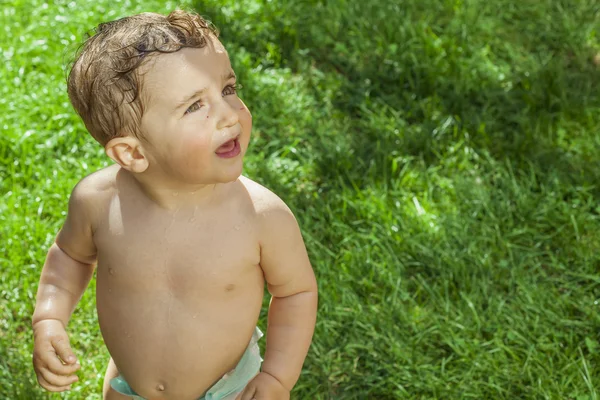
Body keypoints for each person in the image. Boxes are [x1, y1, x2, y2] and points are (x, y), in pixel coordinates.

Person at [31, 9, 318, 400]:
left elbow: (296, 293)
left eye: (228, 89)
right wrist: (49, 317)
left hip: (231, 390)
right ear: (131, 153)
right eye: (195, 106)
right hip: (128, 388)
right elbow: (70, 256)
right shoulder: (99, 203)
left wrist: (276, 377)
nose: (229, 114)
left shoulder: (261, 216)